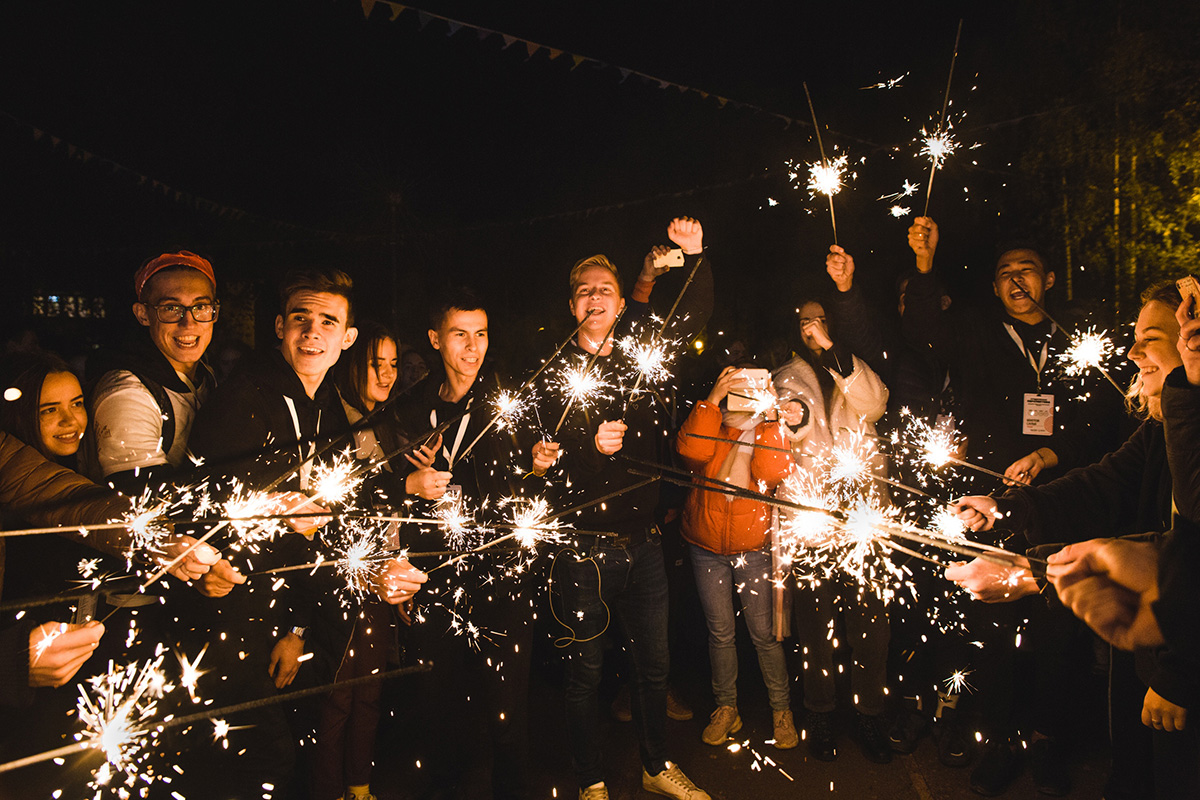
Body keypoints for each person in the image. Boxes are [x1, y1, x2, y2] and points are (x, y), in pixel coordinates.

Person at [947, 278, 1200, 799]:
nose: (1131, 351)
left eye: (1151, 336)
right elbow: (1104, 485)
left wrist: (1179, 675)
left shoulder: (1184, 419)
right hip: (1154, 653)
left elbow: (1186, 545)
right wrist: (1008, 511)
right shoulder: (1161, 426)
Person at [185, 269, 426, 800]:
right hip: (226, 609)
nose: (312, 333)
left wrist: (371, 566)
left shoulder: (320, 406)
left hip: (279, 607)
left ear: (347, 338)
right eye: (300, 319)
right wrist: (270, 507)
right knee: (256, 764)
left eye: (327, 322)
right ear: (278, 326)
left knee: (283, 750)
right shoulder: (246, 397)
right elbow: (197, 504)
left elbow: (328, 516)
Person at [536, 217, 713, 800]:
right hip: (581, 548)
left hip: (644, 544)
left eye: (604, 290)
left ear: (619, 304)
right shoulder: (551, 373)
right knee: (584, 675)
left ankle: (656, 765)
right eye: (585, 290)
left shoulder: (643, 355)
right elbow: (543, 468)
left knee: (654, 669)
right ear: (571, 305)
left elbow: (691, 313)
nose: (595, 297)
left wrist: (695, 255)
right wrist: (583, 452)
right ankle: (590, 779)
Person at [392, 287, 536, 800]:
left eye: (480, 334)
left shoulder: (508, 397)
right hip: (435, 576)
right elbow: (392, 494)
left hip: (502, 573)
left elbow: (536, 477)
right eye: (460, 335)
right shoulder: (412, 408)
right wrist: (403, 562)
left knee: (506, 708)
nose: (472, 347)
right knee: (440, 703)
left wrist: (539, 465)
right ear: (436, 340)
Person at [772, 279, 893, 766]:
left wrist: (833, 353)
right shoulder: (784, 376)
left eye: (819, 319)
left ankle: (870, 713)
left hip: (863, 515)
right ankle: (820, 711)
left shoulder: (856, 367)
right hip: (812, 519)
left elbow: (874, 404)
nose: (811, 326)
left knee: (871, 623)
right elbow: (783, 439)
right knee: (814, 621)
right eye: (803, 320)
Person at [675, 365, 799, 750]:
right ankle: (726, 707)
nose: (744, 393)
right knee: (721, 633)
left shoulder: (767, 427)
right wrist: (712, 400)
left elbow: (773, 471)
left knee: (764, 636)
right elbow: (690, 453)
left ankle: (782, 711)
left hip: (754, 548)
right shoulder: (713, 420)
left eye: (752, 386)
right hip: (705, 545)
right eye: (737, 387)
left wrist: (771, 416)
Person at [86, 250, 219, 492]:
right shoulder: (127, 393)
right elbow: (145, 495)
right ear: (143, 314)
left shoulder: (208, 375)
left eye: (200, 306)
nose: (188, 323)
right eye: (171, 308)